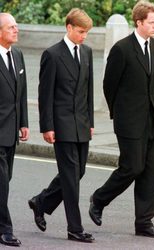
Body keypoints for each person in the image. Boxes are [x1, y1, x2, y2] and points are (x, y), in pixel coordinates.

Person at [88, 1, 154, 238]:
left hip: (151, 118)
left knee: (152, 172)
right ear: (139, 22)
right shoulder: (121, 49)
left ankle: (144, 222)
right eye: (151, 22)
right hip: (128, 121)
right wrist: (118, 113)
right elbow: (108, 85)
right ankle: (99, 199)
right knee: (132, 167)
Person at [28, 8, 94, 243]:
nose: (84, 36)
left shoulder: (87, 52)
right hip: (61, 124)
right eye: (80, 31)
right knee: (69, 177)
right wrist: (46, 126)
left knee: (79, 172)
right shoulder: (52, 54)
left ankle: (41, 201)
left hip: (82, 124)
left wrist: (91, 123)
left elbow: (88, 90)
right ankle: (74, 229)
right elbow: (44, 95)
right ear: (68, 28)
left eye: (86, 32)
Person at [0, 13, 29, 247]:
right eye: (11, 27)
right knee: (1, 181)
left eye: (16, 26)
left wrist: (24, 122)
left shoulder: (17, 55)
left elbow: (22, 94)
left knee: (5, 179)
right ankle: (5, 229)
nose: (16, 30)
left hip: (11, 131)